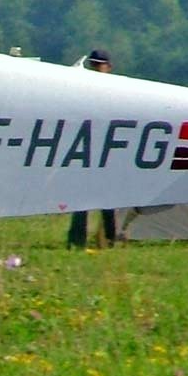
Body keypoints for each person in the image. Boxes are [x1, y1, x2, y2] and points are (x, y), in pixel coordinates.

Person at [68, 49, 117, 249]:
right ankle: (76, 240)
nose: (95, 69)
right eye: (93, 65)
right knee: (80, 199)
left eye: (99, 65)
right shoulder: (81, 91)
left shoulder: (116, 91)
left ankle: (108, 240)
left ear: (108, 67)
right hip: (85, 150)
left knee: (108, 200)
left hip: (107, 151)